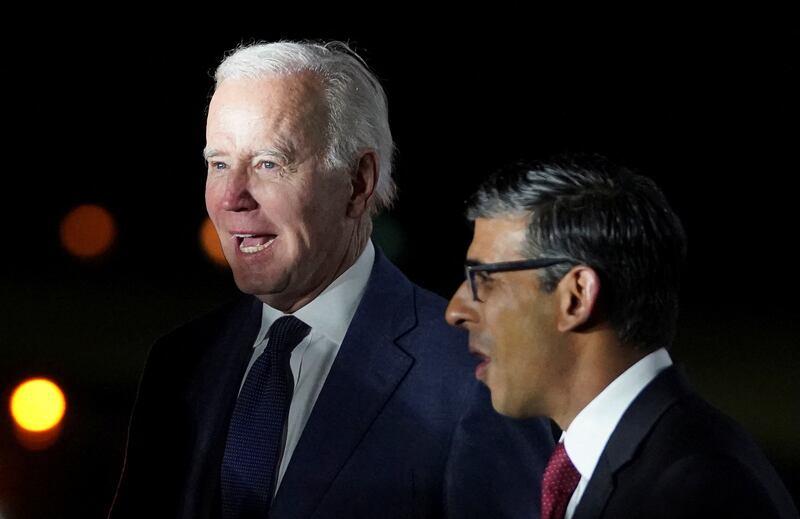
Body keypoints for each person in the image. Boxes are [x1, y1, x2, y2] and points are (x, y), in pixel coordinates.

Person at [109, 41, 554, 519]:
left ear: (358, 182)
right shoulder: (179, 362)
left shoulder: (475, 379)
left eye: (269, 163)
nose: (233, 196)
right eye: (218, 164)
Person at [445, 156, 799, 519]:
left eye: (484, 278)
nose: (454, 310)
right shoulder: (602, 465)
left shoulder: (696, 491)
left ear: (576, 296)